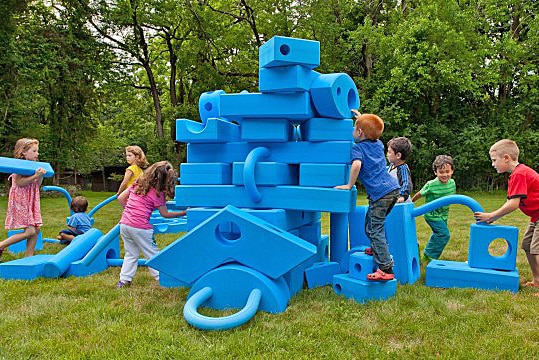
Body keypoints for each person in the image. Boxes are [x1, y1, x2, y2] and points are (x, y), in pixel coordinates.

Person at [335, 110, 399, 281]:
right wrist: (362, 119)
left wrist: (349, 185)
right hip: (392, 190)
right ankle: (377, 249)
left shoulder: (357, 149)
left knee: (374, 229)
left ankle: (386, 268)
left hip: (380, 194)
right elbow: (371, 131)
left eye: (355, 128)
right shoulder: (378, 144)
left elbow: (356, 165)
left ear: (360, 132)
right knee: (370, 224)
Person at [474, 139, 539, 293]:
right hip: (536, 216)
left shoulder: (520, 174)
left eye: (494, 160)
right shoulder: (517, 174)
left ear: (506, 158)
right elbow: (510, 201)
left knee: (536, 248)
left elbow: (513, 204)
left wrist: (490, 215)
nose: (493, 164)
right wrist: (494, 218)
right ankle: (537, 280)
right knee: (527, 244)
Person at [116, 161, 186, 288]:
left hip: (125, 224)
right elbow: (165, 214)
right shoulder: (158, 193)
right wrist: (183, 213)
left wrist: (130, 212)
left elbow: (121, 198)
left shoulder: (137, 184)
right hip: (141, 228)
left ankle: (124, 280)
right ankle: (161, 278)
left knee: (130, 253)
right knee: (152, 253)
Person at [0, 138, 47, 260]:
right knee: (30, 231)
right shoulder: (19, 166)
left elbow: (37, 184)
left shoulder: (34, 166)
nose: (37, 154)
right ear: (24, 152)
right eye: (34, 151)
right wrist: (35, 175)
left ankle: (29, 257)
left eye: (37, 151)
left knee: (36, 229)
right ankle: (1, 245)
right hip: (21, 199)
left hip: (31, 198)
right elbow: (19, 182)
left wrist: (40, 176)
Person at [412, 155, 456, 261]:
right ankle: (429, 256)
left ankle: (428, 255)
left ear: (452, 171)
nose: (444, 174)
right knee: (444, 234)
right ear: (435, 172)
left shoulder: (452, 183)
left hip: (444, 214)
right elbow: (420, 194)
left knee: (438, 234)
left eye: (447, 171)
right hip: (432, 215)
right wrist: (410, 202)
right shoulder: (431, 184)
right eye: (441, 172)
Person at [387, 137, 413, 203]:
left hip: (402, 204)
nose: (387, 154)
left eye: (389, 152)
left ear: (398, 155)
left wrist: (402, 196)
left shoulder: (402, 169)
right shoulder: (391, 166)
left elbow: (406, 183)